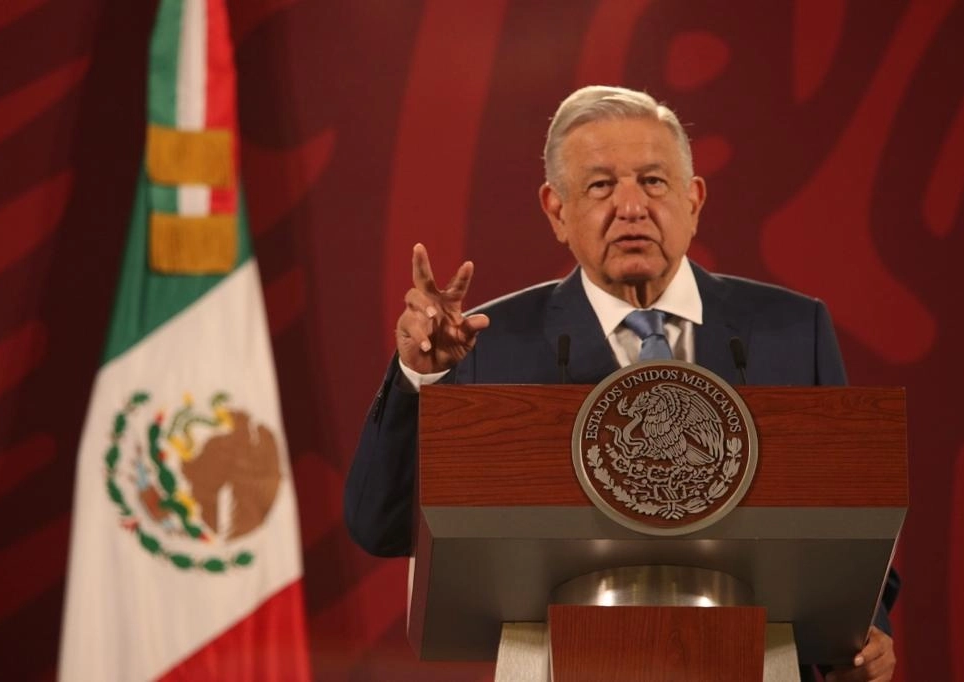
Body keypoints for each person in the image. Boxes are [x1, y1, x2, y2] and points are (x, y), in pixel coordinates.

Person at [344, 85, 897, 682]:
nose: (631, 207)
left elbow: (852, 519)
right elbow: (380, 524)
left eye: (654, 182)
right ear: (557, 210)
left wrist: (866, 631)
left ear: (694, 199)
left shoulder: (791, 330)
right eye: (601, 185)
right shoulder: (491, 341)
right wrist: (422, 376)